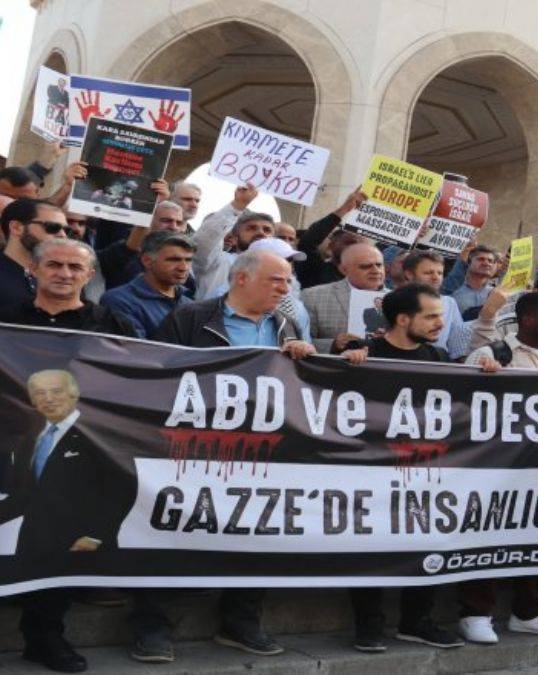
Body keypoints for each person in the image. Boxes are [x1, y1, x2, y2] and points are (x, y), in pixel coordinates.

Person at [144, 249, 318, 662]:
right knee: (175, 536)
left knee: (257, 537)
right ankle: (153, 628)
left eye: (288, 281)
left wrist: (305, 358)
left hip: (263, 452)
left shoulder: (286, 324)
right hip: (195, 447)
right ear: (241, 278)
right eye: (277, 279)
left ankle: (241, 623)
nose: (286, 288)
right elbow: (157, 371)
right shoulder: (191, 318)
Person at [337, 283, 470, 651]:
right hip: (370, 472)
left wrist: (487, 370)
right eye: (430, 316)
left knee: (428, 542)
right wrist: (346, 363)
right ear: (402, 319)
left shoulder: (440, 359)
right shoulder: (364, 352)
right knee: (370, 547)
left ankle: (417, 621)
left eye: (441, 316)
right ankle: (369, 625)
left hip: (424, 471)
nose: (439, 324)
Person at [456, 291, 538, 643]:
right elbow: (458, 403)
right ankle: (476, 612)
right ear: (528, 319)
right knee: (487, 536)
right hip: (495, 466)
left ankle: (530, 611)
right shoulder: (492, 354)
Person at [0, 370, 130, 673]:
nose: (48, 399)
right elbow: (24, 494)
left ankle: (50, 642)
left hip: (80, 537)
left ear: (74, 394)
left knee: (55, 595)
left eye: (56, 391)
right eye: (39, 393)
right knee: (35, 589)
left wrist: (97, 535)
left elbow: (124, 486)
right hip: (35, 534)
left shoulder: (99, 433)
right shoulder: (32, 436)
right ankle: (36, 644)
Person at [0, 238, 135, 336]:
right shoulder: (6, 320)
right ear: (33, 269)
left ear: (89, 275)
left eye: (75, 267)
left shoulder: (114, 325)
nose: (65, 274)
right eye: (54, 265)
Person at [99, 231, 195, 338]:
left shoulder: (190, 304)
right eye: (173, 260)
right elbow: (137, 350)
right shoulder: (119, 300)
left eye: (188, 260)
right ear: (147, 261)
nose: (183, 267)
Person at [300, 242, 385, 353]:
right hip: (336, 367)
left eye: (379, 265)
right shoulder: (313, 296)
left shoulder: (400, 298)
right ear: (344, 270)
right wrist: (333, 344)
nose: (375, 270)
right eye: (365, 266)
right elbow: (300, 341)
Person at [192, 184, 274, 300]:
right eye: (251, 228)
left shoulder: (281, 272)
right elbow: (204, 241)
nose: (261, 233)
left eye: (267, 230)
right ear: (235, 237)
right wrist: (237, 206)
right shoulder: (218, 261)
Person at [398, 250, 474, 360]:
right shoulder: (392, 300)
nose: (435, 278)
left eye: (440, 273)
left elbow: (457, 343)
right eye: (428, 273)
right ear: (409, 274)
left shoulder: (449, 303)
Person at [0, 198, 67, 310]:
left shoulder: (66, 275)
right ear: (16, 227)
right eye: (52, 227)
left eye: (66, 230)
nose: (63, 235)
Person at [443, 244, 499, 320]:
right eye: (481, 259)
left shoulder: (495, 292)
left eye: (490, 261)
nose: (486, 263)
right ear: (469, 262)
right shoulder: (451, 287)